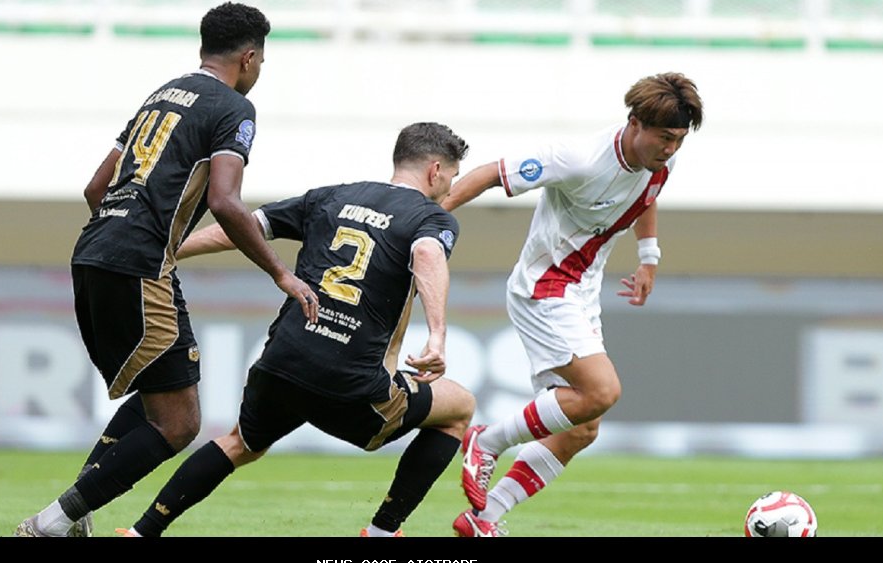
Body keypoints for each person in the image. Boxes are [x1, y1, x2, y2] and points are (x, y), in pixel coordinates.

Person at [14, 2, 318, 537]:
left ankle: (74, 516)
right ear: (249, 58)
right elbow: (225, 202)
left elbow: (95, 188)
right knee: (180, 422)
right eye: (262, 62)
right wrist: (281, 273)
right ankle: (49, 525)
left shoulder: (160, 96)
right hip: (140, 264)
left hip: (92, 253)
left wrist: (124, 234)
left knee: (160, 392)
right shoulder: (233, 108)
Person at [113, 121, 476, 538]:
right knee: (460, 408)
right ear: (435, 170)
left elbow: (242, 225)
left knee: (240, 443)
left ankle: (142, 532)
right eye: (452, 176)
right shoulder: (431, 218)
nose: (451, 186)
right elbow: (427, 253)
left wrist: (166, 251)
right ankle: (381, 533)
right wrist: (437, 336)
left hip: (282, 363)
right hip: (352, 386)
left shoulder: (331, 196)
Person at [443, 72, 703, 537]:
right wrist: (423, 222)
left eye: (680, 139)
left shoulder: (659, 160)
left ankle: (483, 520)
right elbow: (488, 174)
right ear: (635, 123)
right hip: (544, 288)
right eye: (665, 137)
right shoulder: (578, 158)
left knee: (583, 427)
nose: (671, 148)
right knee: (601, 391)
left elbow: (648, 193)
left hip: (582, 292)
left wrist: (648, 257)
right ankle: (487, 441)